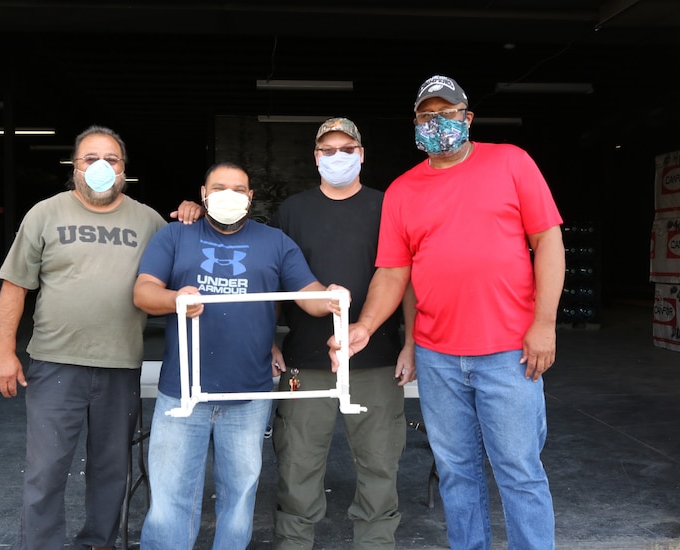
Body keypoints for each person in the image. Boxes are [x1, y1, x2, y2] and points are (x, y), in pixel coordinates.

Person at [330, 74, 566, 550]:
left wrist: (544, 324)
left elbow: (549, 242)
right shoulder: (402, 191)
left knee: (518, 470)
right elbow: (394, 273)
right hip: (439, 359)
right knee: (458, 473)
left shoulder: (511, 162)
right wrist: (366, 326)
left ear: (468, 119)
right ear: (414, 123)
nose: (436, 122)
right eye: (426, 115)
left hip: (509, 353)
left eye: (447, 113)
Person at [0, 125, 201, 550]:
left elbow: (190, 258)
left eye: (112, 159)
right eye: (91, 159)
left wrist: (194, 212)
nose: (102, 167)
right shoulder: (45, 213)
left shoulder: (148, 221)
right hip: (55, 363)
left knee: (111, 467)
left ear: (124, 169)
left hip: (120, 363)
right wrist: (3, 352)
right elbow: (15, 286)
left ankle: (99, 542)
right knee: (46, 468)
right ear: (75, 167)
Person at [134, 161, 348, 550]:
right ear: (203, 193)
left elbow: (308, 293)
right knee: (169, 503)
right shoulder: (173, 237)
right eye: (219, 187)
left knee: (239, 500)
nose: (228, 196)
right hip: (183, 390)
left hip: (248, 395)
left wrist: (333, 298)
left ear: (250, 197)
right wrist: (175, 299)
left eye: (238, 189)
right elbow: (144, 290)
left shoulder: (275, 242)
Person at [269, 117, 416, 549]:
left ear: (362, 154)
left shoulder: (387, 206)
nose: (338, 157)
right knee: (297, 460)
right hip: (305, 361)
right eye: (328, 150)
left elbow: (403, 278)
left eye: (346, 149)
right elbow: (269, 278)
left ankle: (375, 543)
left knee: (379, 461)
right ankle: (293, 543)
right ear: (315, 158)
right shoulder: (292, 212)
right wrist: (267, 341)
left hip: (376, 357)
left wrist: (410, 343)